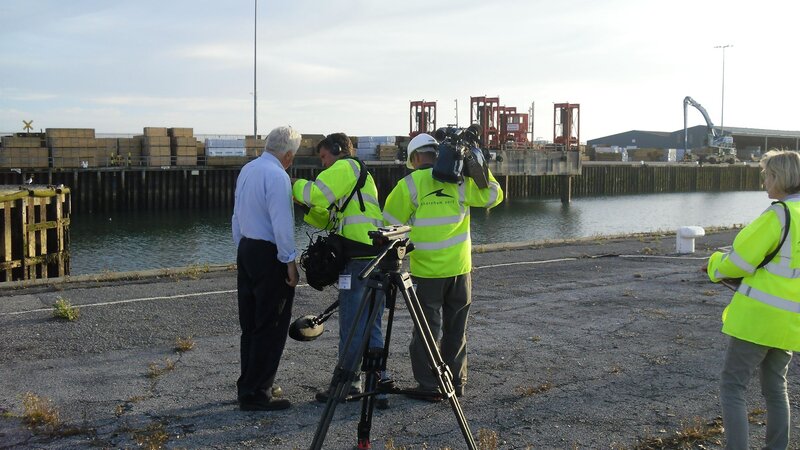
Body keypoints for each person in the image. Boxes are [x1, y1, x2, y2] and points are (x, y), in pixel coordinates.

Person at [382, 133, 504, 400]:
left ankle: (429, 386)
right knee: (456, 330)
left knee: (426, 331)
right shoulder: (460, 182)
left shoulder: (410, 184)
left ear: (414, 158)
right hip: (460, 270)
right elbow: (495, 196)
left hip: (427, 274)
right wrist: (480, 164)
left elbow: (388, 226)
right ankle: (456, 383)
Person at [705, 149, 800, 449]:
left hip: (759, 320)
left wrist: (714, 265)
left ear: (779, 177)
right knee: (776, 387)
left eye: (767, 176)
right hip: (790, 323)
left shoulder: (779, 214)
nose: (764, 182)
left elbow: (741, 261)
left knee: (732, 386)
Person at [291, 133, 388, 407]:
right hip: (374, 257)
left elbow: (317, 193)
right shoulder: (359, 177)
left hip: (355, 260)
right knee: (373, 324)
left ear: (336, 150)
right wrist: (308, 208)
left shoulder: (344, 167)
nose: (323, 164)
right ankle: (378, 387)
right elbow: (332, 217)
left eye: (323, 157)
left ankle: (346, 387)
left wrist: (294, 186)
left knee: (350, 323)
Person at [231, 126, 301, 411]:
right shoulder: (278, 176)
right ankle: (258, 393)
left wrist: (241, 247)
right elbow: (282, 223)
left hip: (247, 247)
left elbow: (236, 214)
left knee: (250, 324)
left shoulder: (248, 169)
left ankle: (249, 384)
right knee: (271, 323)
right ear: (287, 155)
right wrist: (290, 262)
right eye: (292, 156)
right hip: (268, 253)